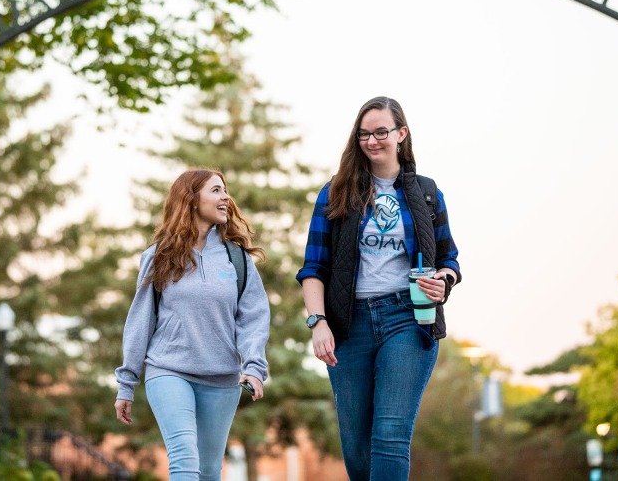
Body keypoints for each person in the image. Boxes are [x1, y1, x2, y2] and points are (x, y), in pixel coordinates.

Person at [296, 96, 460, 481]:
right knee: (355, 443)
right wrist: (318, 321)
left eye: (381, 132)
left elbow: (449, 259)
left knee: (390, 435)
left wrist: (443, 281)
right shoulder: (335, 192)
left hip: (408, 318)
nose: (372, 141)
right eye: (364, 134)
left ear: (401, 134)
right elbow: (314, 266)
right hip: (349, 325)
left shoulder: (426, 192)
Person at [114, 168, 271, 481]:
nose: (225, 197)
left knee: (210, 471)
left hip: (222, 378)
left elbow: (253, 316)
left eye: (225, 190)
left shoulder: (236, 259)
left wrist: (254, 366)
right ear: (191, 199)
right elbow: (141, 319)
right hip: (169, 370)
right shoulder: (159, 256)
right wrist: (127, 383)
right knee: (185, 459)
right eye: (215, 190)